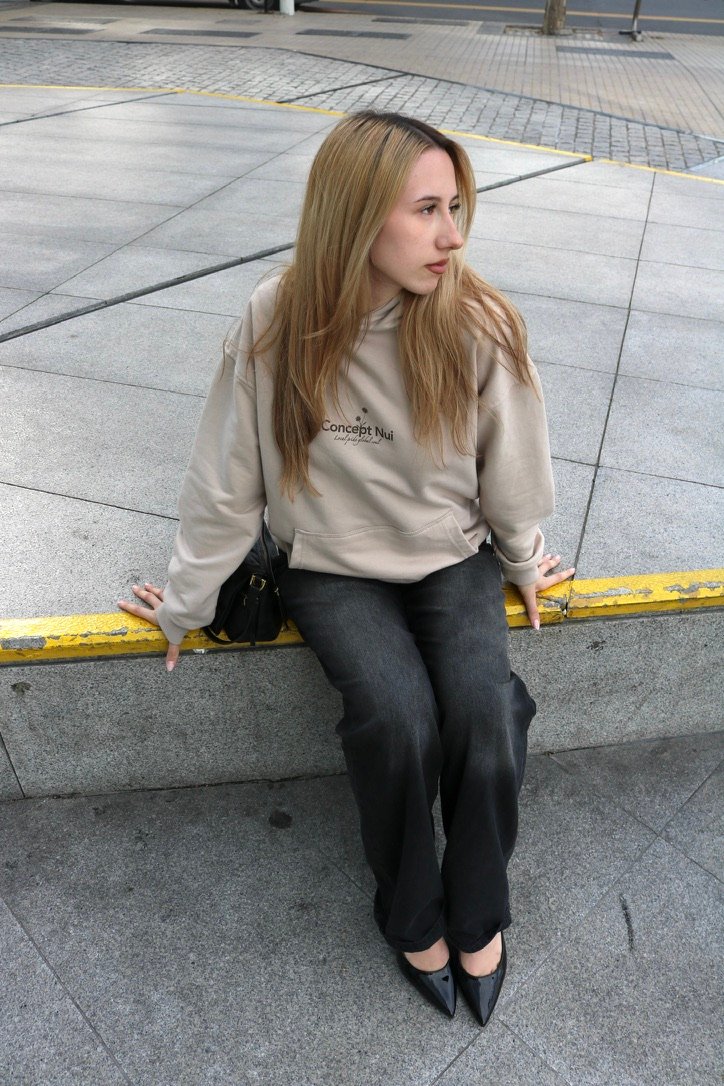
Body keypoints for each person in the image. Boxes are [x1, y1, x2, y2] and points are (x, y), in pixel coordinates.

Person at [119, 111, 574, 1025]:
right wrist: (186, 601)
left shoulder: (478, 321)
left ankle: (478, 915)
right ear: (357, 214)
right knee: (396, 719)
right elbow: (227, 477)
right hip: (330, 566)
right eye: (426, 210)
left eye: (456, 208)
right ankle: (412, 917)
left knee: (486, 712)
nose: (452, 235)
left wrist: (523, 559)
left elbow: (513, 468)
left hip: (451, 557)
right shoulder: (278, 315)